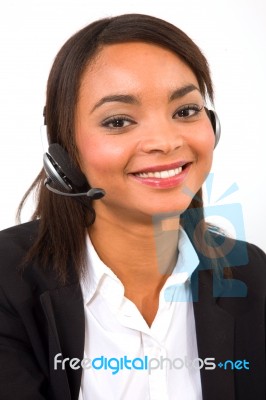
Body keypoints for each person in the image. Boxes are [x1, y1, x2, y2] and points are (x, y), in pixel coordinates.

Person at [0, 13, 265, 400]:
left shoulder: (252, 276)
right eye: (119, 120)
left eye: (185, 111)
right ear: (64, 153)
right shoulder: (7, 282)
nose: (165, 141)